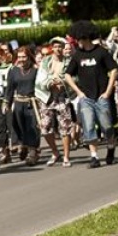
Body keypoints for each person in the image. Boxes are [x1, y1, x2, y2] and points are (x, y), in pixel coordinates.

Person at [65, 20, 118, 168]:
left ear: (84, 38)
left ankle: (111, 148)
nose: (77, 42)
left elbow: (114, 70)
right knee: (88, 126)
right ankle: (94, 157)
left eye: (78, 39)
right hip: (86, 99)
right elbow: (67, 75)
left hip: (101, 96)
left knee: (107, 127)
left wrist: (108, 92)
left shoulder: (101, 52)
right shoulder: (77, 56)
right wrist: (79, 92)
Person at [35, 37, 74, 166]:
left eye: (60, 46)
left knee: (65, 127)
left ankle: (66, 157)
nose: (58, 49)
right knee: (45, 127)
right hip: (47, 98)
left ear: (64, 48)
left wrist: (63, 82)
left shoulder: (69, 62)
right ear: (52, 48)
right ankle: (55, 152)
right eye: (55, 46)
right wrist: (50, 82)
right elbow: (40, 78)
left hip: (62, 97)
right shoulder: (46, 61)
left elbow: (75, 77)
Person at [5, 45, 41, 166]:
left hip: (32, 103)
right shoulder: (14, 71)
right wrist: (7, 103)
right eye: (19, 57)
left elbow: (41, 87)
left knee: (33, 127)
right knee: (20, 127)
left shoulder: (36, 70)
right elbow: (9, 88)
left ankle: (33, 152)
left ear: (29, 57)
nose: (21, 59)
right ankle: (24, 146)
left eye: (24, 56)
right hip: (18, 102)